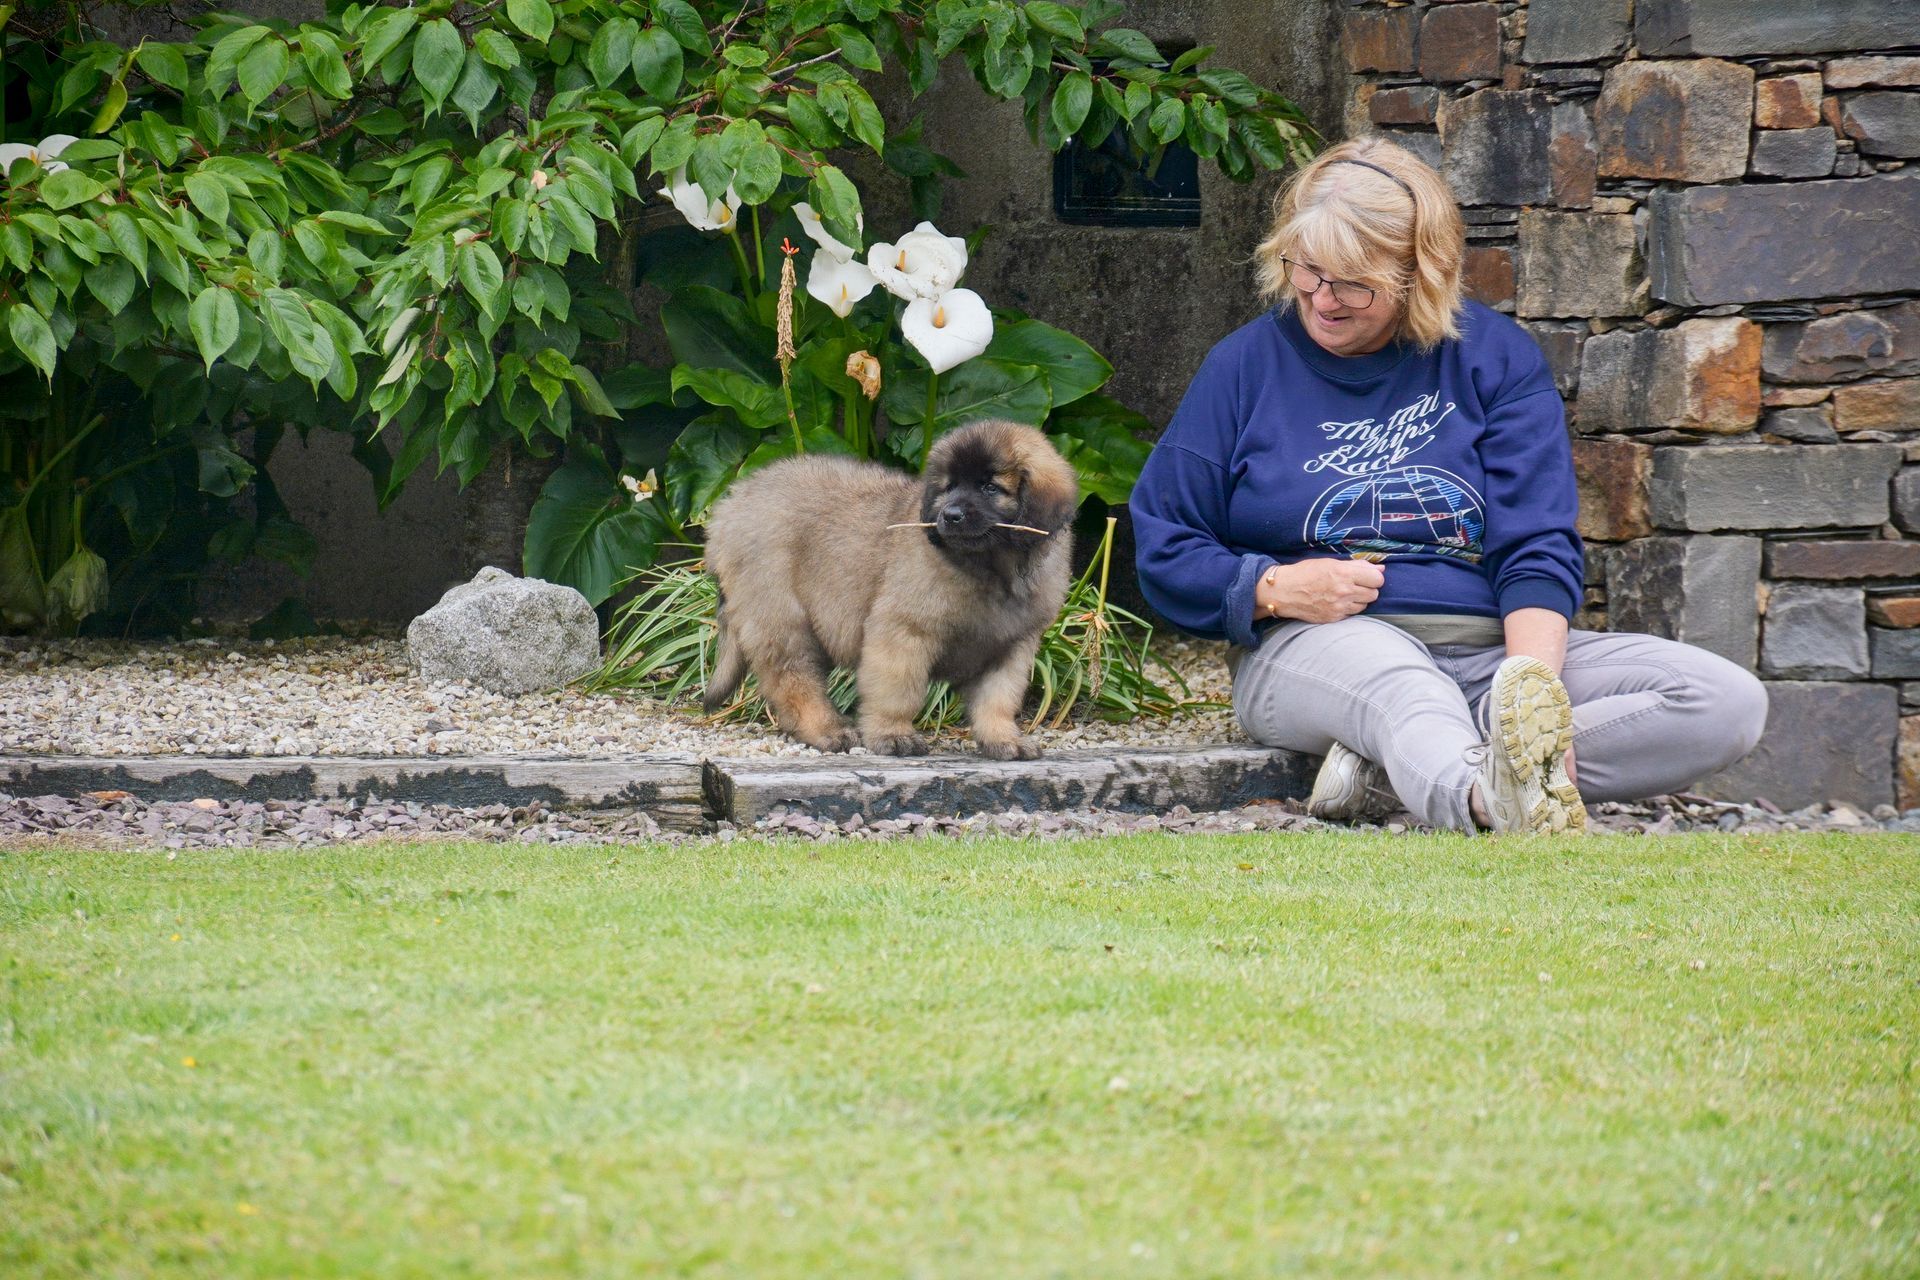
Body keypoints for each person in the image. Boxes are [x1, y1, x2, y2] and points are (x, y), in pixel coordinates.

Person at [1130, 137, 1769, 834]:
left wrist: (1529, 700)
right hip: (1321, 644)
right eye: (1307, 271)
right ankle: (1487, 800)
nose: (1323, 300)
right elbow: (1165, 543)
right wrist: (1275, 588)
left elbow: (1536, 547)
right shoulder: (1244, 366)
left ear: (1420, 273)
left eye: (1353, 282)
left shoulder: (1495, 360)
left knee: (1721, 701)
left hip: (1489, 645)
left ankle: (1392, 777)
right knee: (1404, 690)